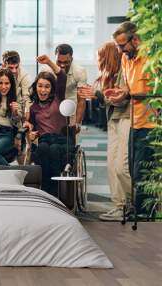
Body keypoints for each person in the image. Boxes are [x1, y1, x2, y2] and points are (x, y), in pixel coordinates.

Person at [78, 42, 131, 221]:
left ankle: (130, 204)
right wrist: (96, 94)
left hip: (126, 118)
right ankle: (120, 205)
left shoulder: (125, 72)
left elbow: (121, 100)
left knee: (121, 167)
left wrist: (98, 95)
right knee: (111, 165)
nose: (98, 59)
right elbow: (108, 98)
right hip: (114, 120)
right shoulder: (110, 75)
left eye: (100, 56)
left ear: (108, 56)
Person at [109, 21, 157, 216]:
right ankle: (136, 212)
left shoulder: (151, 59)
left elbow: (152, 91)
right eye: (118, 46)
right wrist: (121, 94)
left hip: (152, 124)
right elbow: (129, 88)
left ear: (135, 40)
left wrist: (129, 94)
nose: (120, 50)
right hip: (134, 122)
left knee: (141, 173)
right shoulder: (126, 60)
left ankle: (144, 216)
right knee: (133, 174)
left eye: (123, 45)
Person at [23, 55, 67, 196]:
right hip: (44, 140)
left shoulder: (58, 98)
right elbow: (33, 126)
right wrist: (29, 129)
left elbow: (62, 76)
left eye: (47, 87)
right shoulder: (34, 107)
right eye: (40, 86)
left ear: (52, 88)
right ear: (35, 87)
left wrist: (48, 62)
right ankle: (47, 188)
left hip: (60, 139)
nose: (43, 90)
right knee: (42, 148)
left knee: (53, 149)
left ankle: (54, 189)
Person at [0, 51, 30, 164]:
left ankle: (21, 173)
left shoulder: (23, 75)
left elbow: (26, 98)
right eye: (11, 68)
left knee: (21, 145)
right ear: (4, 65)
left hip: (15, 116)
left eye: (17, 67)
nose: (14, 71)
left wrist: (25, 119)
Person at [44, 44, 87, 132]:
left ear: (71, 59)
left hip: (71, 107)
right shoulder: (46, 70)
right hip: (52, 107)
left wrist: (77, 123)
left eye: (66, 62)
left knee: (71, 141)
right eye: (59, 62)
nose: (62, 65)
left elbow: (81, 100)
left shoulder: (80, 71)